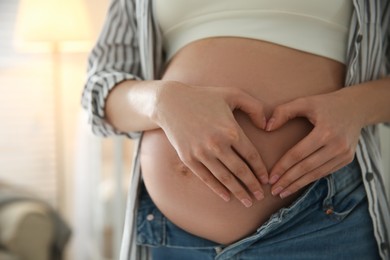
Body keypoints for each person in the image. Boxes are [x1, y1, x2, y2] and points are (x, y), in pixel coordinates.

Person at [82, 0, 390, 259]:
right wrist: (161, 102)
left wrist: (356, 106)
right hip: (173, 237)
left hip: (322, 221)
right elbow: (98, 90)